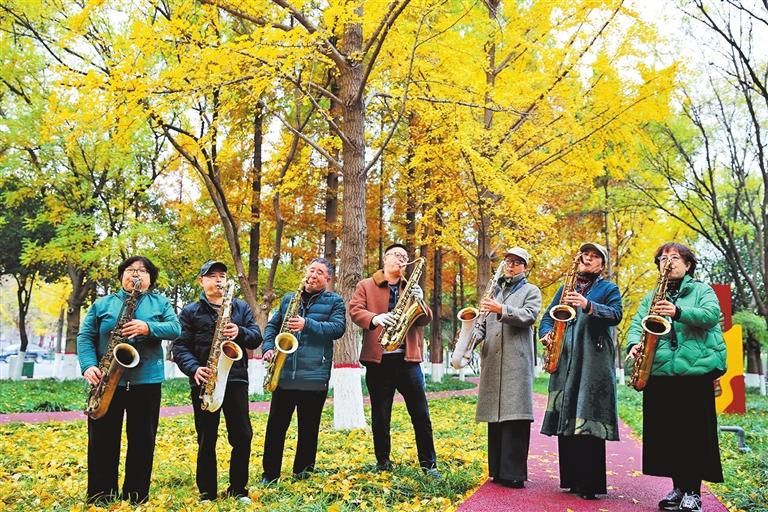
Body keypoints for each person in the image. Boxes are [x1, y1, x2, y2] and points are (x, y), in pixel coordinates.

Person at [627, 243, 725, 512]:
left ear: (688, 264)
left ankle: (693, 492)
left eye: (674, 257)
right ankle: (678, 488)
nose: (667, 262)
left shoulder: (702, 290)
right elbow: (638, 324)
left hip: (694, 374)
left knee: (693, 435)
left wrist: (678, 312)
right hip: (660, 372)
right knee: (667, 435)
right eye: (662, 258)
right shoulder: (651, 296)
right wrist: (634, 343)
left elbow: (711, 315)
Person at [77, 256, 181, 505]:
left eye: (143, 271)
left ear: (150, 279)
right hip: (106, 380)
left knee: (143, 440)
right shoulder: (103, 304)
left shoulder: (160, 302)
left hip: (146, 380)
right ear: (122, 275)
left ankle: (136, 496)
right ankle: (101, 496)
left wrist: (148, 327)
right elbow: (85, 336)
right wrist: (89, 366)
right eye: (131, 270)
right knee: (102, 440)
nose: (136, 274)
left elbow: (175, 328)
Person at [172, 260, 263, 503]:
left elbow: (256, 337)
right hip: (205, 380)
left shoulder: (240, 307)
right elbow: (179, 347)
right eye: (212, 276)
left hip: (235, 379)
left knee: (243, 435)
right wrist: (194, 369)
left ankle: (238, 489)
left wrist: (240, 332)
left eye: (222, 275)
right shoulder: (190, 312)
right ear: (202, 281)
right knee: (206, 437)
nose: (218, 280)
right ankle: (207, 493)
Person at [539, 242, 623, 500]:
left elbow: (616, 315)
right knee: (567, 414)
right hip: (564, 360)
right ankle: (572, 479)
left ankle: (589, 484)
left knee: (588, 415)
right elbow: (546, 319)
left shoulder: (609, 288)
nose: (587, 259)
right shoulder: (565, 289)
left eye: (594, 256)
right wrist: (546, 335)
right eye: (584, 255)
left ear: (601, 265)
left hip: (593, 361)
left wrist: (588, 305)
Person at [349, 243, 439, 476]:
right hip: (379, 362)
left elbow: (424, 319)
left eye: (405, 257)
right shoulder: (366, 285)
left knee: (421, 415)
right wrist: (377, 318)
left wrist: (420, 301)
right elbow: (355, 310)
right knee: (380, 416)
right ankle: (383, 463)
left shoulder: (411, 287)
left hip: (408, 361)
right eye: (397, 256)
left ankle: (429, 466)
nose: (402, 260)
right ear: (385, 259)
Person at [260, 258, 346, 484]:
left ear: (327, 279)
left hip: (314, 376)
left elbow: (338, 328)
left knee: (308, 428)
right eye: (311, 270)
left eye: (320, 272)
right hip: (285, 373)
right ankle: (270, 474)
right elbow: (272, 326)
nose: (314, 274)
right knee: (276, 427)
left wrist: (306, 324)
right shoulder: (290, 298)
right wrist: (268, 348)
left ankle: (303, 473)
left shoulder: (335, 301)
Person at [473, 248, 542, 488]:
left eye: (517, 262)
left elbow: (529, 315)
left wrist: (501, 309)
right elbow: (482, 322)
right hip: (492, 360)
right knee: (496, 415)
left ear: (526, 267)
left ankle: (514, 474)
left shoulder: (531, 290)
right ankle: (498, 471)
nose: (511, 266)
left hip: (516, 360)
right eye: (508, 261)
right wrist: (471, 335)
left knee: (515, 416)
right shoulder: (495, 290)